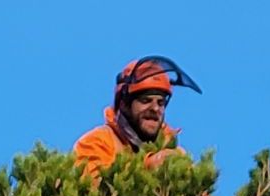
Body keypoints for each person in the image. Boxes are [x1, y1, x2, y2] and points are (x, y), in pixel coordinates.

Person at [74, 56, 202, 178]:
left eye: (161, 102)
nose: (155, 108)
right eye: (145, 100)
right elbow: (92, 187)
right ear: (124, 103)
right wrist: (147, 167)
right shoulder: (97, 142)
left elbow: (198, 191)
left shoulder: (173, 152)